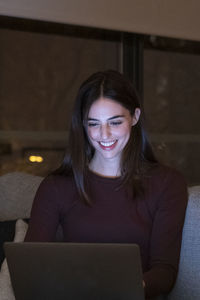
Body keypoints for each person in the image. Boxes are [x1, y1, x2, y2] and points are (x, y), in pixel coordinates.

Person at [25, 70, 188, 299]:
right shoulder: (55, 187)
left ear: (135, 116)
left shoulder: (167, 184)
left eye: (115, 121)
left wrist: (122, 289)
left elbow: (164, 272)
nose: (104, 134)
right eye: (94, 123)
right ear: (83, 124)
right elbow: (30, 266)